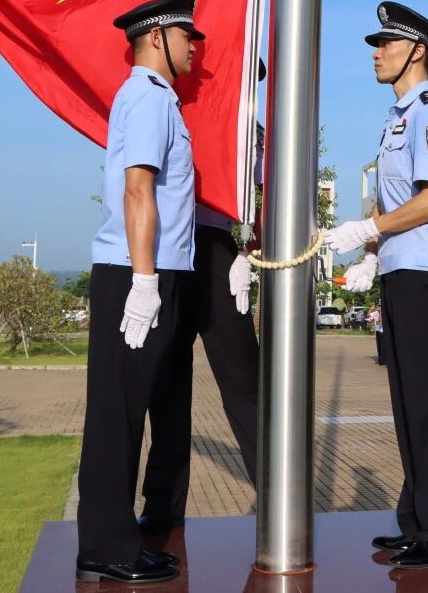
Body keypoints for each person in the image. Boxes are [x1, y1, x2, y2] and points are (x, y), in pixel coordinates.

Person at [326, 1, 428, 570]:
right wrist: (370, 252)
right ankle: (417, 519)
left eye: (385, 43)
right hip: (401, 270)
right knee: (409, 403)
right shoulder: (395, 119)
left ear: (417, 51)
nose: (375, 52)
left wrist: (369, 227)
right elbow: (395, 199)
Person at [76, 0, 205, 585]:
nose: (192, 47)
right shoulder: (150, 99)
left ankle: (113, 538)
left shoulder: (159, 100)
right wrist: (145, 281)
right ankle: (107, 546)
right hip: (139, 272)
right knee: (118, 413)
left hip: (156, 268)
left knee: (133, 406)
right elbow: (137, 191)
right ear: (158, 38)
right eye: (186, 37)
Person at [138, 65, 268, 537]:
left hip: (215, 250)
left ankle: (275, 497)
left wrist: (251, 252)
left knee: (244, 379)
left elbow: (267, 191)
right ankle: (162, 506)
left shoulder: (251, 132)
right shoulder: (177, 111)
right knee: (167, 386)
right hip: (170, 248)